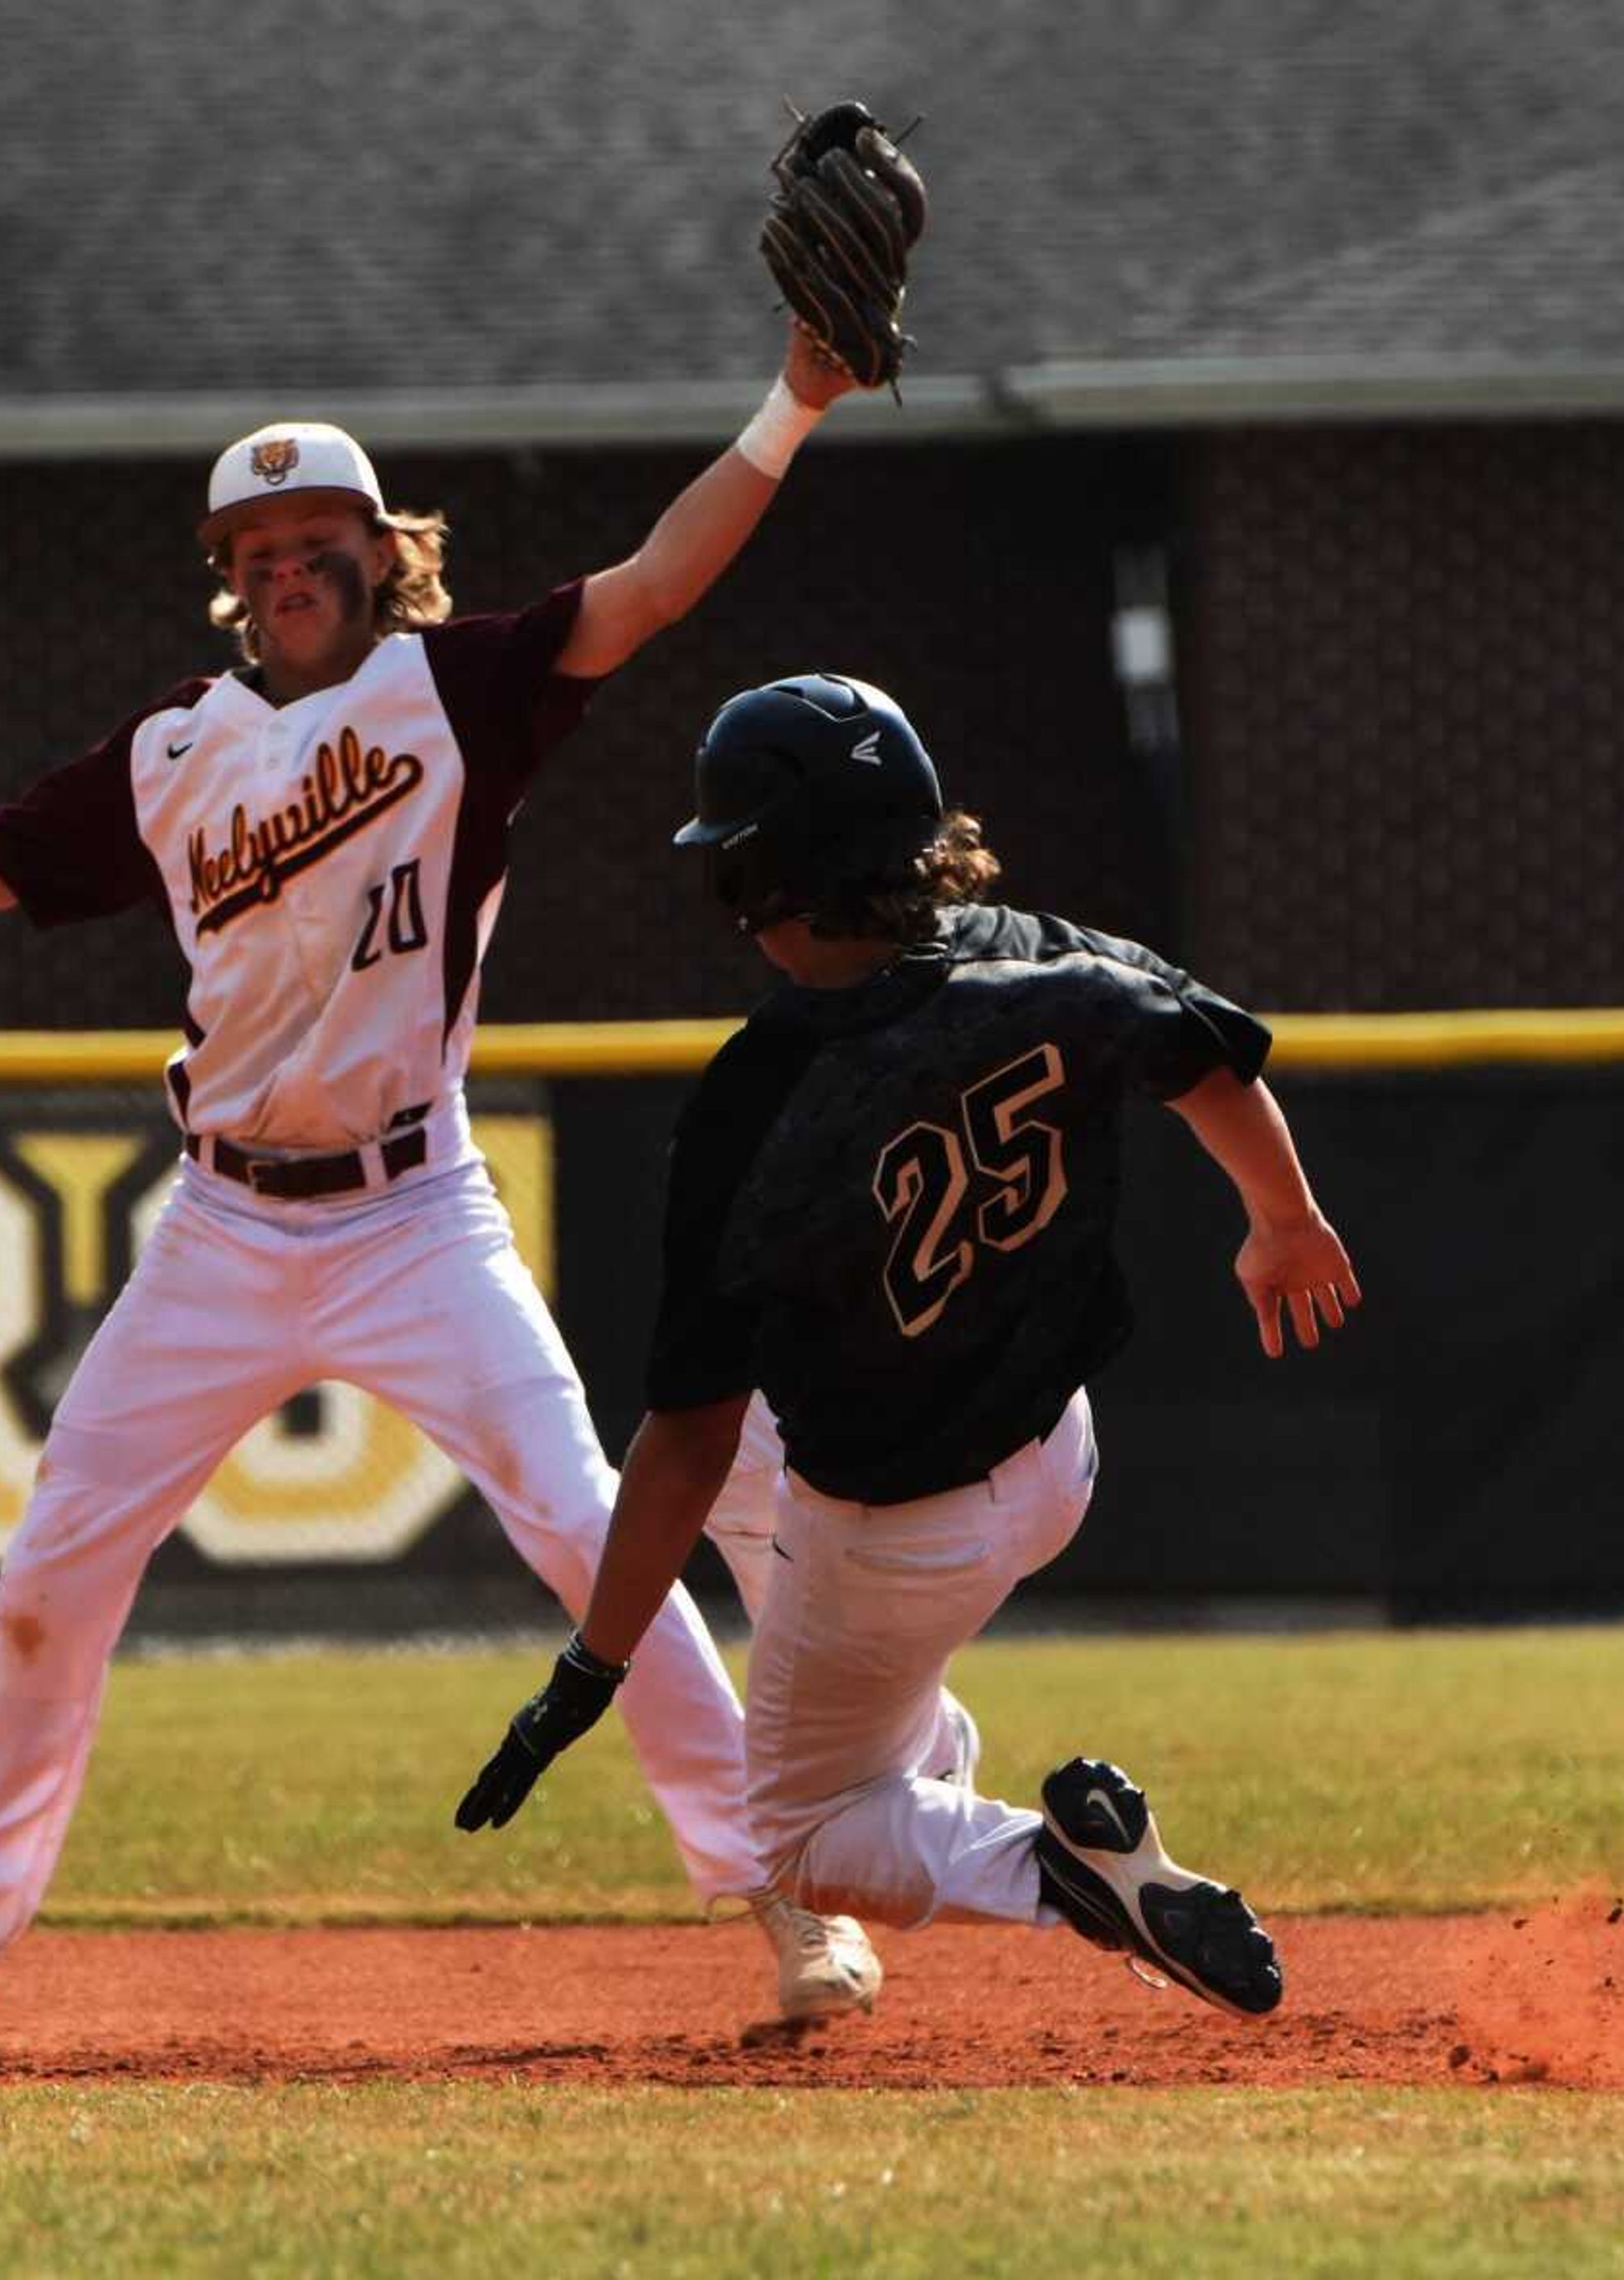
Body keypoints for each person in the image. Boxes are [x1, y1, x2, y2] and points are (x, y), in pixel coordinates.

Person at [0, 328, 894, 2043]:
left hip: (416, 1214)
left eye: (320, 544)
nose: (290, 570)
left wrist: (795, 399)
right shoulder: (173, 755)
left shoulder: (463, 690)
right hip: (221, 1223)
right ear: (231, 583)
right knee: (58, 1566)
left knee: (598, 1539)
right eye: (257, 555)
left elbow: (656, 587)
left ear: (384, 554)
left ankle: (783, 1895)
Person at [455, 673, 1360, 2020]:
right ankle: (915, 1743)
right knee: (794, 1518)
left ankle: (1064, 1871)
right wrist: (1282, 1215)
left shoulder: (753, 1100)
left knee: (805, 1830)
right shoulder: (1025, 943)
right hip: (1055, 1453)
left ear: (764, 878)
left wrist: (589, 1667)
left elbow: (686, 1436)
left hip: (894, 1527)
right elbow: (1197, 1048)